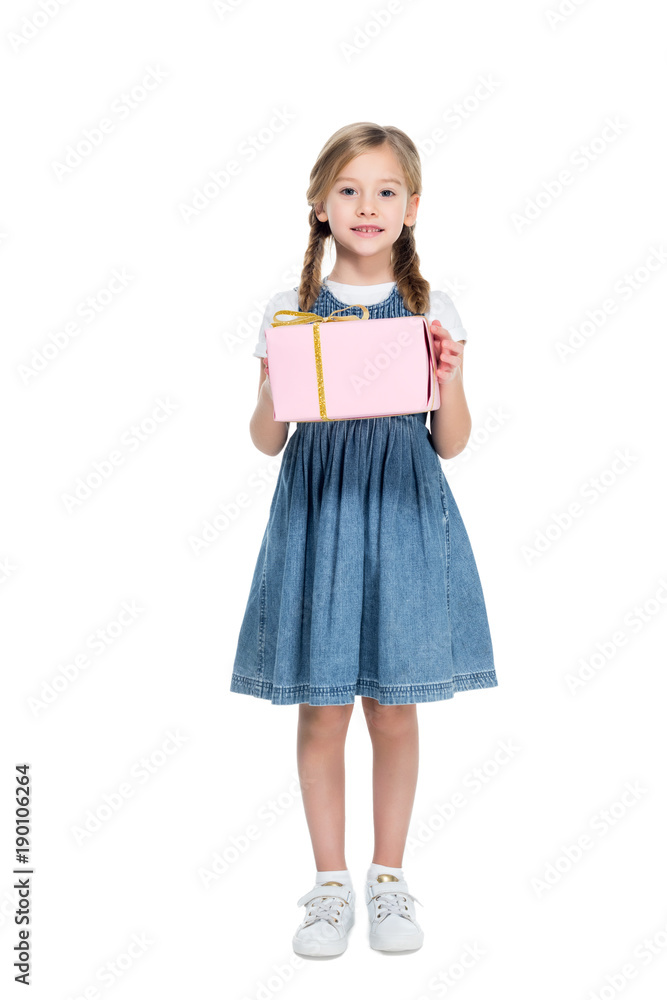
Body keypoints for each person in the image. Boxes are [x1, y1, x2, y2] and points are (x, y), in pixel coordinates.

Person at [230, 122, 498, 957]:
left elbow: (448, 441)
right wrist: (274, 378)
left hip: (402, 516)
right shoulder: (288, 308)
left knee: (392, 706)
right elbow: (267, 441)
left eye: (386, 191)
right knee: (321, 708)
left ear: (412, 208)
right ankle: (327, 886)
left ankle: (389, 879)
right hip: (320, 519)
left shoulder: (428, 307)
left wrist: (447, 378)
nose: (367, 205)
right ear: (319, 207)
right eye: (348, 190)